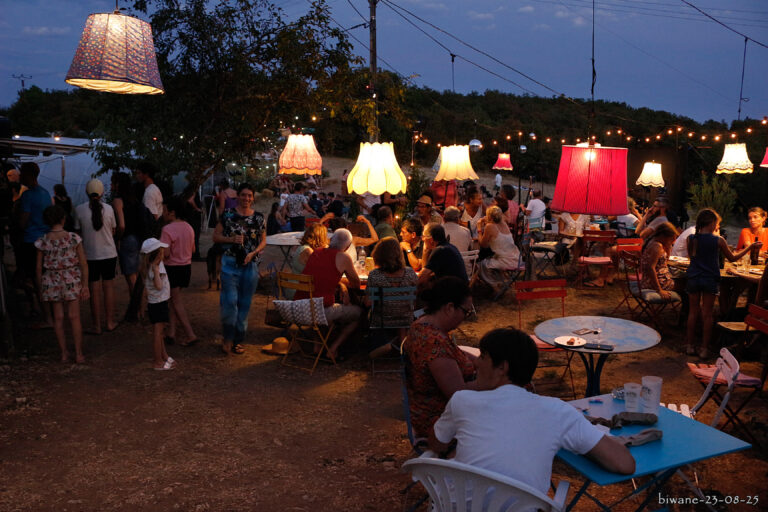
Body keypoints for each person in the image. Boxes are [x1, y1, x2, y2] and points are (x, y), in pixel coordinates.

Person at [431, 328, 635, 494]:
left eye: (482, 356)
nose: (475, 363)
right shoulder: (557, 411)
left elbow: (437, 443)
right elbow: (625, 464)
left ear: (502, 367)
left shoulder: (462, 400)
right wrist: (588, 447)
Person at [404, 276, 478, 439]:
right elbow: (458, 394)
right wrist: (492, 382)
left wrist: (480, 361)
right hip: (438, 420)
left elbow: (454, 352)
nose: (465, 317)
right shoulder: (434, 343)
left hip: (428, 410)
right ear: (450, 308)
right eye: (465, 312)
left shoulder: (422, 325)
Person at [685, 208, 759, 359]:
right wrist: (750, 247)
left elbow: (691, 257)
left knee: (692, 312)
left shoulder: (691, 239)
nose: (718, 226)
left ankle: (689, 345)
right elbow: (732, 258)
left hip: (693, 277)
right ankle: (704, 348)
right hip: (709, 279)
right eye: (717, 224)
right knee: (707, 314)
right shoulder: (718, 240)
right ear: (712, 223)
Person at [212, 183, 266, 355]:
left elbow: (263, 240)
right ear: (238, 196)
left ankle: (238, 340)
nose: (246, 198)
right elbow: (215, 236)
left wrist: (254, 253)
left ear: (253, 198)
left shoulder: (258, 217)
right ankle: (227, 337)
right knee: (229, 302)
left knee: (244, 304)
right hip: (230, 264)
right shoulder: (227, 215)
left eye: (249, 195)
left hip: (250, 265)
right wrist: (230, 239)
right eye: (243, 195)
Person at [295, 229, 362, 361]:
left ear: (331, 240)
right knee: (359, 313)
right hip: (320, 310)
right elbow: (356, 283)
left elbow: (319, 277)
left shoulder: (316, 252)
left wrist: (339, 284)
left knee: (318, 303)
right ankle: (333, 349)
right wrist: (343, 282)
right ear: (348, 246)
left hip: (300, 306)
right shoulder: (343, 257)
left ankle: (317, 347)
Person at [34, 205, 89, 363]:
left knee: (58, 317)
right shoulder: (73, 238)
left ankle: (64, 353)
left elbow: (38, 268)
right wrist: (84, 285)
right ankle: (79, 354)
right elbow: (83, 264)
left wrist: (41, 288)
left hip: (51, 280)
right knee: (74, 317)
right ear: (63, 218)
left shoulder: (42, 241)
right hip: (71, 278)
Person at [74, 179, 118, 334]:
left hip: (90, 255)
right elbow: (113, 231)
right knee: (108, 287)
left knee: (94, 290)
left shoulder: (79, 210)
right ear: (102, 193)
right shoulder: (109, 209)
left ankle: (96, 325)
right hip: (109, 254)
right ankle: (110, 322)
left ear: (87, 192)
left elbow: (78, 234)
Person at [160, 196, 198, 347]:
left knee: (175, 301)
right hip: (186, 268)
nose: (163, 213)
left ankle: (190, 334)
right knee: (174, 300)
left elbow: (167, 253)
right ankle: (172, 333)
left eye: (164, 210)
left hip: (173, 269)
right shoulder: (189, 227)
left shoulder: (167, 229)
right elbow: (193, 249)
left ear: (172, 212)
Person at [19, 163, 53, 327]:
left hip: (31, 242)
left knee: (35, 280)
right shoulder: (46, 194)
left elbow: (23, 222)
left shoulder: (27, 196)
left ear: (28, 175)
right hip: (45, 241)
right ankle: (51, 314)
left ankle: (46, 317)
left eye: (21, 174)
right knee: (46, 279)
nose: (20, 177)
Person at [367, 237, 418, 343]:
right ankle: (401, 343)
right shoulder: (410, 273)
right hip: (406, 318)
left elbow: (368, 303)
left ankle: (375, 343)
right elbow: (416, 296)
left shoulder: (374, 275)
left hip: (381, 320)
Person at [139, 238, 175, 370]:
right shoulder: (155, 269)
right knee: (158, 333)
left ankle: (163, 355)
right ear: (156, 255)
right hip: (158, 303)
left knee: (160, 332)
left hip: (156, 302)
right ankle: (158, 361)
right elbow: (159, 286)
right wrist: (155, 271)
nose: (163, 254)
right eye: (160, 252)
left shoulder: (153, 266)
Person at [474, 206, 521, 294]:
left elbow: (483, 245)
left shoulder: (489, 226)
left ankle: (494, 285)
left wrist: (479, 229)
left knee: (480, 265)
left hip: (506, 261)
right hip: (517, 259)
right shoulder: (504, 223)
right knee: (490, 260)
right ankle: (501, 282)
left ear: (490, 217)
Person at [111, 172, 143, 297]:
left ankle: (135, 309)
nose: (111, 185)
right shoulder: (134, 199)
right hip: (137, 239)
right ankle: (139, 308)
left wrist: (118, 238)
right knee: (135, 274)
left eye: (113, 182)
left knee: (131, 278)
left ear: (118, 184)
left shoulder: (118, 200)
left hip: (127, 239)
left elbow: (122, 225)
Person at [639, 222, 681, 302]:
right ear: (664, 236)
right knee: (687, 286)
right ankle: (687, 312)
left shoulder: (652, 241)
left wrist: (668, 246)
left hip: (656, 279)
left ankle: (686, 311)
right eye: (671, 239)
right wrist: (659, 290)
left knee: (682, 282)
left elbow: (666, 260)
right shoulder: (657, 247)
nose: (672, 241)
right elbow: (650, 268)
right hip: (657, 282)